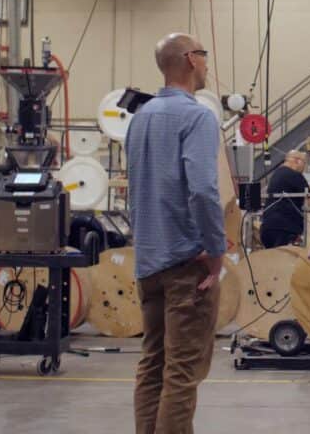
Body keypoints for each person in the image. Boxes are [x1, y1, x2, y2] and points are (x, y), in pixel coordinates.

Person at [126, 33, 226, 434]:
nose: (207, 64)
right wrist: (216, 250)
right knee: (182, 373)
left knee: (152, 364)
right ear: (189, 59)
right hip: (187, 264)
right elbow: (202, 189)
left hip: (148, 262)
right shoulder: (198, 116)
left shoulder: (140, 118)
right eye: (204, 56)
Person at [260, 150, 310, 248]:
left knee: (272, 260)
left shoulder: (275, 174)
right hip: (285, 229)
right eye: (304, 164)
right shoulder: (296, 175)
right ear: (297, 161)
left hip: (267, 228)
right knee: (286, 260)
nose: (303, 168)